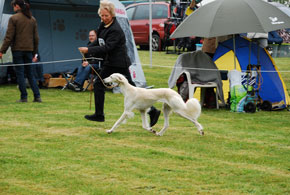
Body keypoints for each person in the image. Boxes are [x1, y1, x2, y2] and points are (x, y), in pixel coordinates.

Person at [78, 0, 160, 126]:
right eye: (102, 15)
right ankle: (99, 115)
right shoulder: (102, 25)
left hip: (119, 63)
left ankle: (153, 111)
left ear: (112, 15)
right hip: (110, 62)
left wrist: (89, 50)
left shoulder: (115, 29)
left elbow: (107, 48)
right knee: (100, 84)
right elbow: (99, 41)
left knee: (134, 90)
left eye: (106, 16)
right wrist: (88, 51)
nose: (104, 18)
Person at [0, 0, 41, 102]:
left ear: (17, 6)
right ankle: (37, 96)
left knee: (20, 74)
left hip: (18, 50)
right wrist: (34, 53)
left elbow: (9, 37)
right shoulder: (32, 19)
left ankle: (24, 97)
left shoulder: (13, 18)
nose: (13, 8)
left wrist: (2, 51)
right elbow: (36, 38)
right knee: (30, 74)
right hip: (29, 50)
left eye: (13, 6)